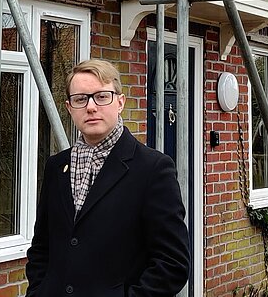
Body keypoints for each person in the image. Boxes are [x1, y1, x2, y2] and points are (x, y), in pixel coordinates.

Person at [26, 59, 190, 297]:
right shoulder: (56, 166)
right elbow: (42, 246)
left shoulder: (153, 169)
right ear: (70, 108)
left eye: (102, 97)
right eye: (81, 99)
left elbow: (173, 263)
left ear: (120, 102)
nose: (91, 107)